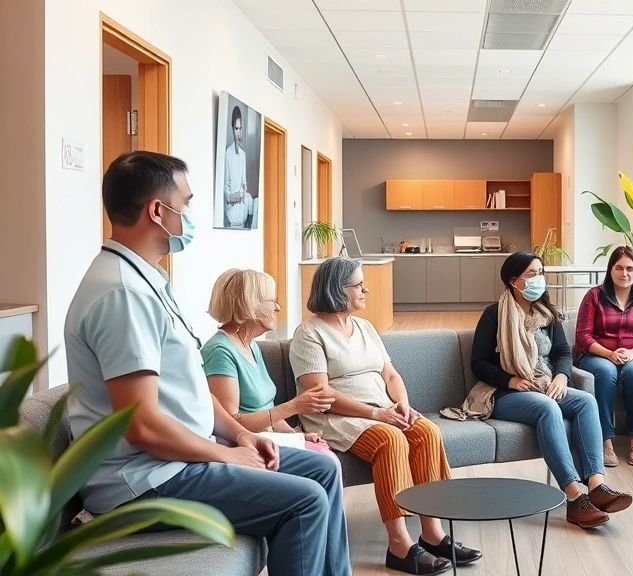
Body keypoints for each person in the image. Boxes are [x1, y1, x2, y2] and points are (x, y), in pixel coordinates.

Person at [64, 151, 350, 576]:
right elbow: (141, 425)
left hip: (178, 460)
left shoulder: (150, 279)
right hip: (144, 481)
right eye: (189, 201)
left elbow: (192, 389)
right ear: (158, 211)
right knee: (303, 501)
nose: (192, 212)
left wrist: (240, 436)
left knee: (324, 468)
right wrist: (223, 454)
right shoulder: (121, 294)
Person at [289, 257, 481, 576]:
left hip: (383, 410)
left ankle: (432, 534)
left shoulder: (365, 327)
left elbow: (390, 374)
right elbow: (321, 395)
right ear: (337, 289)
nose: (366, 288)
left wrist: (403, 404)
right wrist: (378, 413)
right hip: (339, 418)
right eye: (358, 284)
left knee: (427, 431)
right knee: (390, 439)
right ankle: (399, 545)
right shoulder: (309, 334)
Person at [471, 251, 633, 530]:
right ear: (514, 281)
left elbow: (562, 353)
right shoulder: (494, 314)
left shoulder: (547, 314)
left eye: (541, 272)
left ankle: (596, 485)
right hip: (504, 393)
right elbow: (479, 362)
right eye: (531, 274)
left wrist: (561, 376)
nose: (539, 279)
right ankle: (574, 497)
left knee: (586, 401)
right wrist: (510, 380)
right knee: (547, 408)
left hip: (545, 384)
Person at [201, 268, 342, 471]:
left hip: (268, 437)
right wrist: (293, 406)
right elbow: (231, 422)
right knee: (327, 463)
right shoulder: (220, 350)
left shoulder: (251, 345)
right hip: (245, 445)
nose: (278, 307)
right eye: (272, 300)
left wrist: (297, 435)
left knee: (325, 454)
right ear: (250, 304)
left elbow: (267, 411)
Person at [574, 245, 633, 467]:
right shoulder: (594, 296)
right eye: (619, 268)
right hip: (599, 355)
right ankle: (605, 441)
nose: (625, 274)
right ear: (610, 270)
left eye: (630, 269)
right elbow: (582, 337)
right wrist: (609, 354)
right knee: (605, 371)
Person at [223, 105, 251, 228]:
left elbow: (244, 181)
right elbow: (225, 185)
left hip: (243, 210)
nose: (238, 132)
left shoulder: (243, 154)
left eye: (240, 129)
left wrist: (244, 190)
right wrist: (231, 197)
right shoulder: (227, 153)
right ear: (232, 129)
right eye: (236, 128)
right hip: (232, 213)